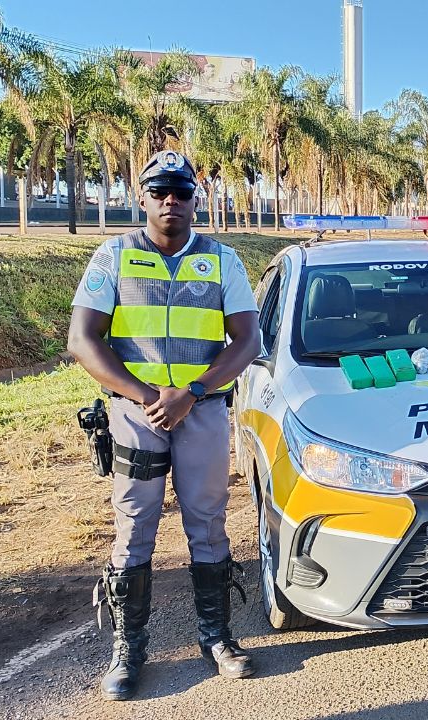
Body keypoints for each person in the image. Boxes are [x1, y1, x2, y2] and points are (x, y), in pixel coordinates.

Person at [67, 150, 261, 700]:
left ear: (196, 199)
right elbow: (82, 340)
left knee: (208, 523)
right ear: (143, 198)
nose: (170, 200)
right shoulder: (114, 256)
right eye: (159, 191)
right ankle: (128, 649)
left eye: (181, 191)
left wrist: (191, 393)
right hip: (137, 416)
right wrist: (152, 397)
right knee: (134, 528)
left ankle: (217, 639)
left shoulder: (222, 261)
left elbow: (247, 340)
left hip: (202, 412)